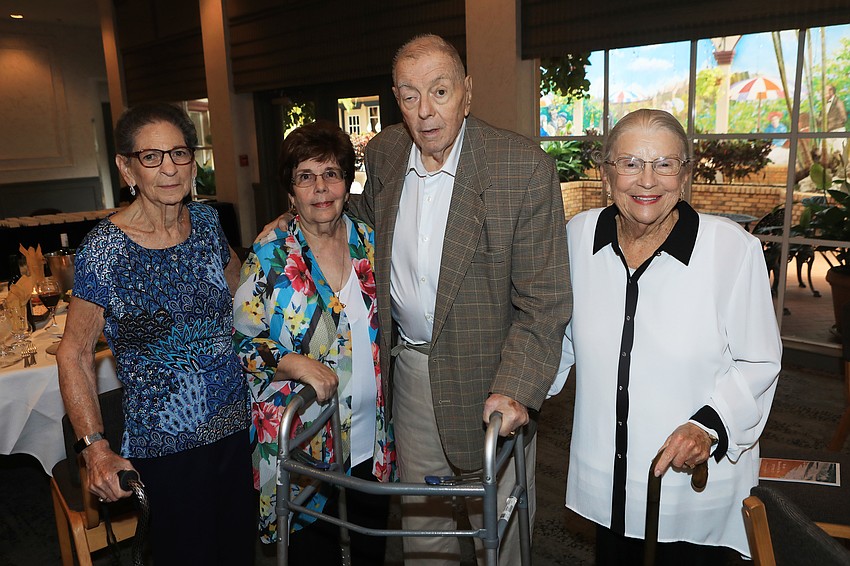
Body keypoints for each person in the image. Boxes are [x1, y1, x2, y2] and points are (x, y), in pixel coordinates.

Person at [352, 34, 570, 564]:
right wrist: (292, 227)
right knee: (423, 537)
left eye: (440, 91)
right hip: (413, 378)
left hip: (491, 386)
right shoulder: (383, 155)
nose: (425, 112)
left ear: (467, 93)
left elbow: (544, 300)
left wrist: (515, 389)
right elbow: (356, 227)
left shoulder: (521, 169)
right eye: (409, 96)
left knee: (500, 535)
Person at [551, 108, 781, 564]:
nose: (647, 180)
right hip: (608, 480)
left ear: (686, 174)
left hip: (691, 487)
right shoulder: (578, 237)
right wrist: (519, 387)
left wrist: (707, 426)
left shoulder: (731, 249)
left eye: (665, 164)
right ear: (606, 172)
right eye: (631, 163)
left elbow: (758, 362)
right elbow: (558, 338)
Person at [57, 102, 254, 565]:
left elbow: (244, 293)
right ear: (128, 168)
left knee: (239, 553)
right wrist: (95, 450)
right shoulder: (104, 250)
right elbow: (74, 354)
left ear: (193, 162)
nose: (168, 168)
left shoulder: (206, 223)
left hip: (235, 431)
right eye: (151, 157)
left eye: (179, 154)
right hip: (166, 451)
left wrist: (283, 237)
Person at [233, 121, 395, 565]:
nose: (320, 188)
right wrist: (293, 363)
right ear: (291, 190)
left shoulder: (371, 243)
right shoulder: (269, 256)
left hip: (370, 441)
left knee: (368, 554)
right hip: (304, 445)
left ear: (347, 182)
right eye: (306, 176)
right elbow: (241, 344)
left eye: (332, 174)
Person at [825, 84, 847, 155]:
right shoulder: (824, 105)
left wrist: (831, 122)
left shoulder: (838, 102)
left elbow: (844, 118)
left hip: (838, 131)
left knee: (839, 154)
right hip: (828, 132)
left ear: (831, 91)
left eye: (825, 90)